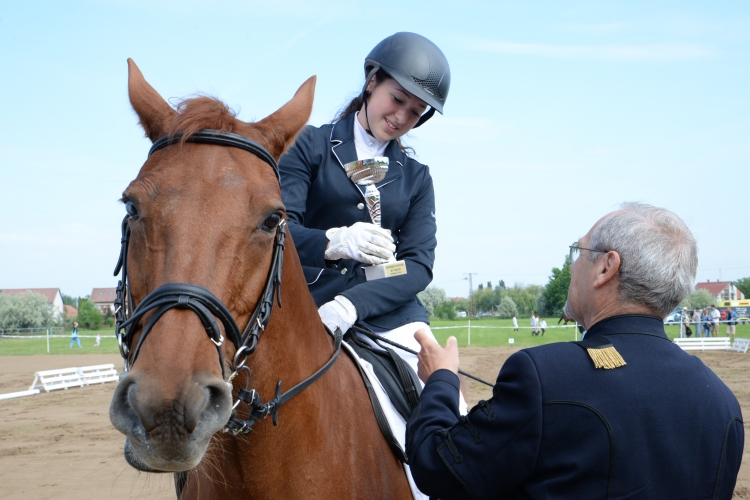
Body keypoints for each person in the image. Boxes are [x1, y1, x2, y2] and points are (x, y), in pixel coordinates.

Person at [406, 203, 743, 499]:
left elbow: (438, 469)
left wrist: (441, 381)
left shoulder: (544, 375)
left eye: (577, 253)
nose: (570, 268)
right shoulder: (722, 402)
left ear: (606, 267)